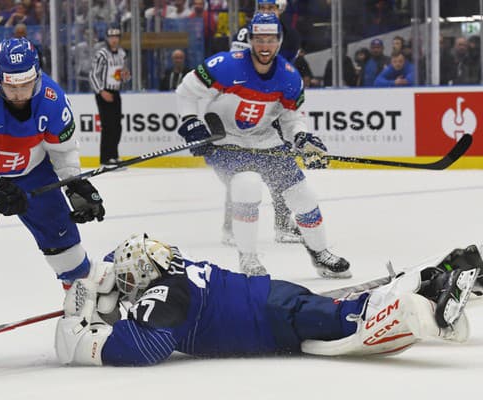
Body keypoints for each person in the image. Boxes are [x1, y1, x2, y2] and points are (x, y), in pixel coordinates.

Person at [0, 37, 106, 366]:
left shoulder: (53, 100)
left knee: (69, 257)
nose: (20, 95)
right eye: (12, 87)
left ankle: (88, 313)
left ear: (37, 75)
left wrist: (75, 185)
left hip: (35, 172)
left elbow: (63, 151)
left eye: (27, 85)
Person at [54, 233, 481, 366]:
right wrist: (101, 301)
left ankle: (433, 288)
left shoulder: (164, 294)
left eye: (127, 278)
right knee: (334, 312)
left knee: (344, 321)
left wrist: (80, 328)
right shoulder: (175, 269)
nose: (125, 286)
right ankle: (440, 274)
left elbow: (146, 347)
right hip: (273, 299)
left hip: (275, 316)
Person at [175, 13, 349, 278]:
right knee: (247, 186)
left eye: (270, 40)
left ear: (279, 42)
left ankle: (320, 252)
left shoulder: (290, 78)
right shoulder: (225, 65)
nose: (264, 46)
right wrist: (190, 122)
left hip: (266, 140)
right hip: (226, 142)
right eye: (259, 39)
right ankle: (248, 258)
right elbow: (186, 92)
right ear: (251, 40)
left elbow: (292, 118)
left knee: (303, 196)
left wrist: (301, 137)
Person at [224, 0, 303, 247]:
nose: (267, 13)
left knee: (282, 166)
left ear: (281, 10)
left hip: (275, 108)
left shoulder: (291, 37)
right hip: (246, 108)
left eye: (272, 8)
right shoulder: (245, 33)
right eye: (263, 8)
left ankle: (282, 223)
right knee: (240, 169)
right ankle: (231, 226)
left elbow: (284, 73)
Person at [89, 24, 130, 168]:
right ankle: (105, 158)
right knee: (108, 125)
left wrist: (126, 76)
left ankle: (114, 155)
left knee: (117, 125)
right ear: (107, 38)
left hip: (115, 91)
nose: (114, 40)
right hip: (103, 92)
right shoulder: (102, 54)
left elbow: (123, 74)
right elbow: (93, 74)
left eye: (116, 37)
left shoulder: (122, 54)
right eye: (111, 37)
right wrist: (101, 91)